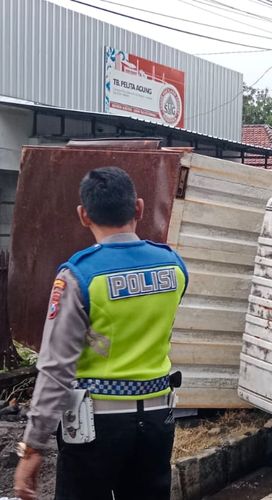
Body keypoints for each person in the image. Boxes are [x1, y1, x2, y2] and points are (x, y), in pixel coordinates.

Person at [14, 167, 188, 500]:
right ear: (138, 208)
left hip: (94, 428)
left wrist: (32, 447)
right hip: (157, 423)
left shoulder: (80, 275)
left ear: (83, 215)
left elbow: (55, 368)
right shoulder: (173, 267)